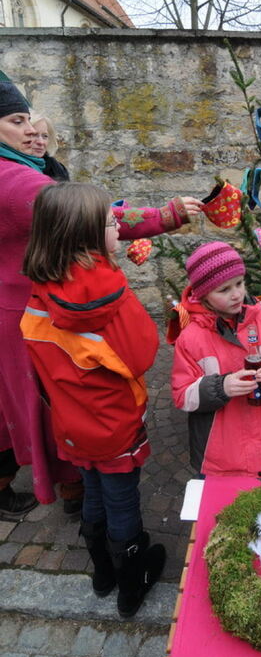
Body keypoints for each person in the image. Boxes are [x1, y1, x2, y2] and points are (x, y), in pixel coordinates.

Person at [0, 78, 202, 518]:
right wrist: (164, 215)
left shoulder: (27, 168)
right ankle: (76, 490)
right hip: (31, 311)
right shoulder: (14, 181)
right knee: (50, 395)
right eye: (17, 122)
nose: (31, 131)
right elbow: (89, 216)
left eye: (33, 123)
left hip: (28, 303)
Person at [21, 182, 166, 618]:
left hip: (70, 420)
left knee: (93, 494)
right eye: (109, 224)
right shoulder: (109, 297)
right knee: (122, 500)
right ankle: (130, 582)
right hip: (113, 422)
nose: (118, 232)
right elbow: (142, 352)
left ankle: (101, 571)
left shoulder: (40, 288)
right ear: (85, 237)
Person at [169, 241, 261, 480]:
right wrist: (221, 387)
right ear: (203, 293)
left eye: (239, 283)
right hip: (217, 456)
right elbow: (182, 395)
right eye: (224, 290)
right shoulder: (191, 338)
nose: (236, 294)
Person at [29, 111, 70, 180]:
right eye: (34, 135)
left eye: (45, 136)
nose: (41, 142)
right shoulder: (12, 166)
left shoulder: (57, 169)